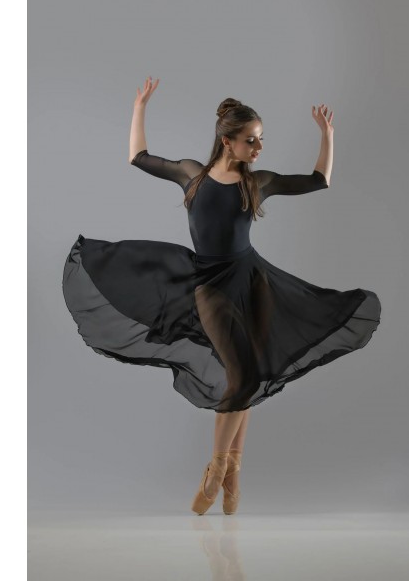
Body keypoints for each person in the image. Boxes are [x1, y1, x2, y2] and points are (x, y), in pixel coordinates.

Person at [62, 76, 381, 515]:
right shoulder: (191, 175)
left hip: (255, 283)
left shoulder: (258, 182)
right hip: (211, 286)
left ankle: (233, 476)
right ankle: (215, 471)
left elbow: (318, 181)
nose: (259, 147)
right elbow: (138, 157)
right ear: (227, 141)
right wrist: (139, 107)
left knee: (250, 376)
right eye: (251, 140)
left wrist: (328, 135)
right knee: (242, 377)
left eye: (261, 139)